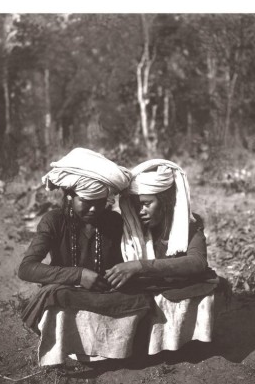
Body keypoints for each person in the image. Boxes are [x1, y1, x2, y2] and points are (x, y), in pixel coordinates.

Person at [18, 148, 151, 366]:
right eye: (86, 201)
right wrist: (78, 275)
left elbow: (127, 258)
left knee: (142, 298)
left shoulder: (113, 221)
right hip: (69, 293)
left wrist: (121, 274)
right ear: (70, 196)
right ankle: (69, 347)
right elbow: (26, 268)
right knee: (56, 298)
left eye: (100, 202)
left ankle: (113, 348)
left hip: (105, 293)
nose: (93, 209)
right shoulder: (54, 221)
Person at [105, 159, 221, 355]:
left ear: (165, 202)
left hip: (176, 286)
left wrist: (140, 266)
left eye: (146, 204)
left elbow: (197, 262)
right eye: (136, 205)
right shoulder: (131, 227)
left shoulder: (188, 224)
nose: (140, 211)